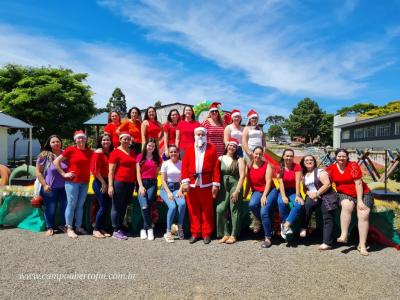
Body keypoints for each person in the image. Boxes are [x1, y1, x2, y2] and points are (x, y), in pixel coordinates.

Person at [326, 149, 373, 256]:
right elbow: (323, 177)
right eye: (339, 156)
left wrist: (360, 201)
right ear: (336, 157)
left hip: (363, 192)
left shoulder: (353, 166)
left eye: (343, 156)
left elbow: (359, 184)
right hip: (344, 193)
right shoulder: (332, 168)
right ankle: (344, 234)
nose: (341, 158)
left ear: (347, 157)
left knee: (363, 214)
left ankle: (362, 245)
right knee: (346, 205)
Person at [181, 127, 220, 244]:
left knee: (207, 210)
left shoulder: (212, 148)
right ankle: (195, 233)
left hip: (207, 184)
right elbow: (185, 166)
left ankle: (207, 233)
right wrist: (185, 182)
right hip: (192, 185)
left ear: (205, 136)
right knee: (193, 210)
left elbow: (216, 168)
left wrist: (215, 184)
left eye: (202, 134)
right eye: (198, 134)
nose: (200, 136)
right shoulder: (189, 148)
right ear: (194, 135)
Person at [54, 130, 93, 239]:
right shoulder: (70, 150)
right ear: (75, 140)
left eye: (83, 138)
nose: (81, 140)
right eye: (78, 138)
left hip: (85, 182)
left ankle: (78, 226)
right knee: (71, 204)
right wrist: (64, 174)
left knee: (80, 205)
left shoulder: (90, 152)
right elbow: (56, 162)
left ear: (86, 139)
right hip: (72, 182)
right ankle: (69, 228)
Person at [300, 155, 337, 250]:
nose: (309, 161)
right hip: (314, 196)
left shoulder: (320, 172)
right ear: (303, 163)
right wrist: (309, 193)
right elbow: (305, 189)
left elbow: (327, 184)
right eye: (306, 160)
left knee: (327, 217)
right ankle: (303, 227)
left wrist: (316, 194)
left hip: (326, 196)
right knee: (306, 206)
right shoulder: (304, 175)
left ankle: (327, 242)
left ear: (314, 162)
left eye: (311, 160)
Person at [245, 146, 279, 248]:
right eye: (256, 154)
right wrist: (245, 194)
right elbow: (248, 182)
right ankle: (267, 224)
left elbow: (269, 182)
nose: (258, 156)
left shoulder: (267, 165)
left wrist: (264, 196)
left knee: (264, 211)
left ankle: (268, 238)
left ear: (262, 155)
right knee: (252, 204)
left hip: (270, 190)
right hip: (257, 191)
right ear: (253, 154)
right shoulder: (249, 166)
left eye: (260, 154)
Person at [35, 135, 67, 236]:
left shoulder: (65, 154)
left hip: (65, 187)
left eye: (58, 141)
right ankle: (49, 227)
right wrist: (44, 185)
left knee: (65, 207)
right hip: (50, 187)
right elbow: (38, 172)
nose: (56, 143)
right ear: (49, 143)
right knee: (50, 208)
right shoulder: (44, 155)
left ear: (61, 142)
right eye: (53, 142)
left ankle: (63, 225)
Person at [108, 132, 137, 240]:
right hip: (119, 182)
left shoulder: (132, 152)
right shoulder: (115, 152)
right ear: (120, 140)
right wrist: (110, 186)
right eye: (124, 139)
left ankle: (120, 227)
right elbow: (111, 171)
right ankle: (115, 230)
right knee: (116, 206)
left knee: (124, 206)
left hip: (130, 183)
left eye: (128, 139)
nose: (126, 141)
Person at [216, 138, 245, 244]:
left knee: (234, 209)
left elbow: (242, 176)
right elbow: (216, 173)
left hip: (235, 185)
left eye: (234, 146)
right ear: (227, 146)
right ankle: (225, 233)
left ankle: (233, 234)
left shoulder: (239, 159)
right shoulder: (220, 158)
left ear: (237, 148)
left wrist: (237, 190)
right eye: (230, 145)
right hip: (223, 186)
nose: (232, 147)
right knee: (220, 209)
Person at [160, 145, 186, 242]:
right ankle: (168, 231)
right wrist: (168, 193)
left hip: (177, 188)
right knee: (172, 206)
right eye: (171, 152)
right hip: (166, 188)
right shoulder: (165, 164)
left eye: (175, 152)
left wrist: (180, 190)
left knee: (182, 204)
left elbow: (183, 179)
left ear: (178, 153)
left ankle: (179, 228)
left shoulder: (182, 163)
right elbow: (163, 180)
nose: (173, 154)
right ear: (168, 153)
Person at [136, 138, 160, 241]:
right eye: (149, 145)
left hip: (152, 183)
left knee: (149, 205)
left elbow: (158, 170)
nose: (151, 147)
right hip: (142, 183)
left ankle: (143, 228)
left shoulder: (157, 158)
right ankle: (149, 228)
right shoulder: (140, 157)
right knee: (144, 206)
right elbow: (137, 173)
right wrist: (140, 186)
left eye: (153, 146)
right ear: (146, 146)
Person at [276, 149, 303, 240]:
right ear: (283, 156)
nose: (289, 157)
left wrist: (298, 196)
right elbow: (281, 183)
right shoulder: (279, 167)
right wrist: (283, 196)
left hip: (293, 191)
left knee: (298, 205)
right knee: (281, 203)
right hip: (283, 190)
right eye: (287, 155)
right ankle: (285, 227)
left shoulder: (297, 166)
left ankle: (285, 225)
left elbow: (297, 182)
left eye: (291, 156)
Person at [90, 134, 113, 238]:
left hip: (109, 181)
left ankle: (101, 227)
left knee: (107, 206)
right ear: (100, 141)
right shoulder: (98, 152)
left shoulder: (111, 152)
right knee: (103, 206)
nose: (106, 142)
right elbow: (95, 170)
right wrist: (103, 183)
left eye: (108, 140)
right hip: (100, 182)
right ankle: (96, 229)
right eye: (103, 140)